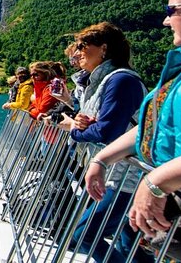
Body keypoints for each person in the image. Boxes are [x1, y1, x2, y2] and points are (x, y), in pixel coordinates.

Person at [86, 0, 181, 257]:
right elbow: (155, 125)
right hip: (178, 208)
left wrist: (156, 183)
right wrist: (102, 158)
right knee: (130, 244)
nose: (165, 20)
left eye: (171, 10)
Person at [54, 22, 146, 262]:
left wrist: (74, 129)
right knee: (128, 242)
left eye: (83, 45)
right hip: (114, 173)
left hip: (125, 177)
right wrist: (82, 121)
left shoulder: (121, 81)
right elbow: (100, 122)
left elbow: (108, 131)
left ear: (104, 49)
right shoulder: (103, 82)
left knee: (84, 234)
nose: (77, 51)